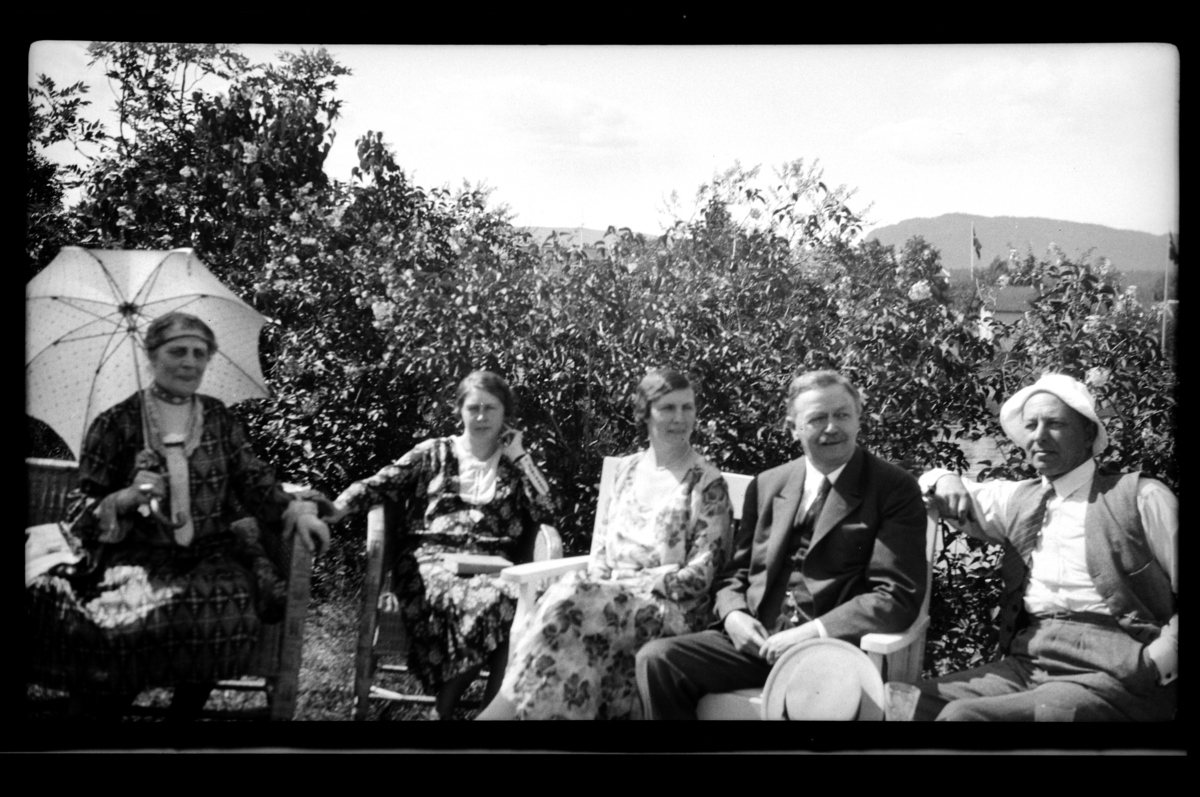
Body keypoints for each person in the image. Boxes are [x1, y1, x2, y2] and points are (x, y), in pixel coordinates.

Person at [26, 311, 331, 719]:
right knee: (128, 618)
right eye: (177, 351)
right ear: (151, 356)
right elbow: (80, 509)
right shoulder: (116, 422)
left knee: (225, 603)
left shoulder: (219, 418)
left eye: (199, 353)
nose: (189, 362)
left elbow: (253, 480)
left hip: (206, 553)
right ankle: (107, 707)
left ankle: (186, 713)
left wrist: (297, 511)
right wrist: (128, 497)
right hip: (135, 555)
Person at [636, 369, 928, 719]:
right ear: (793, 428)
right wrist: (733, 616)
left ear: (858, 419)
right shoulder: (769, 484)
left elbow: (895, 597)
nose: (832, 427)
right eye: (818, 418)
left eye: (842, 415)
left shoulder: (892, 489)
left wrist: (811, 633)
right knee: (658, 659)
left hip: (831, 651)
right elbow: (735, 574)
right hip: (758, 644)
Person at [914, 372, 1177, 721]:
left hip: (1116, 672)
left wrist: (1159, 663)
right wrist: (942, 478)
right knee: (904, 703)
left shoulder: (1142, 497)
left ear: (1087, 434)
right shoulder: (1016, 499)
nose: (1038, 436)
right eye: (1031, 425)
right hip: (1029, 664)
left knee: (964, 717)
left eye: (1055, 424)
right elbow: (928, 484)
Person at [476, 368, 734, 720]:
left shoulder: (707, 482)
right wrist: (625, 580)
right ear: (644, 413)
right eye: (668, 408)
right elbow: (599, 556)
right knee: (574, 600)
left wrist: (626, 582)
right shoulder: (625, 471)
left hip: (673, 611)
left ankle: (495, 716)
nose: (680, 418)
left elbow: (700, 577)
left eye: (687, 408)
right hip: (609, 601)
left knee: (572, 600)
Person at [328, 370, 558, 719]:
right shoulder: (433, 452)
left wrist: (521, 456)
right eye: (473, 407)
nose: (481, 417)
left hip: (492, 564)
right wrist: (337, 508)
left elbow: (547, 508)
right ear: (460, 411)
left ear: (505, 414)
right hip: (429, 561)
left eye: (490, 409)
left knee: (516, 602)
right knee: (501, 605)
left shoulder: (514, 463)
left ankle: (481, 715)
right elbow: (381, 483)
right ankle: (444, 711)